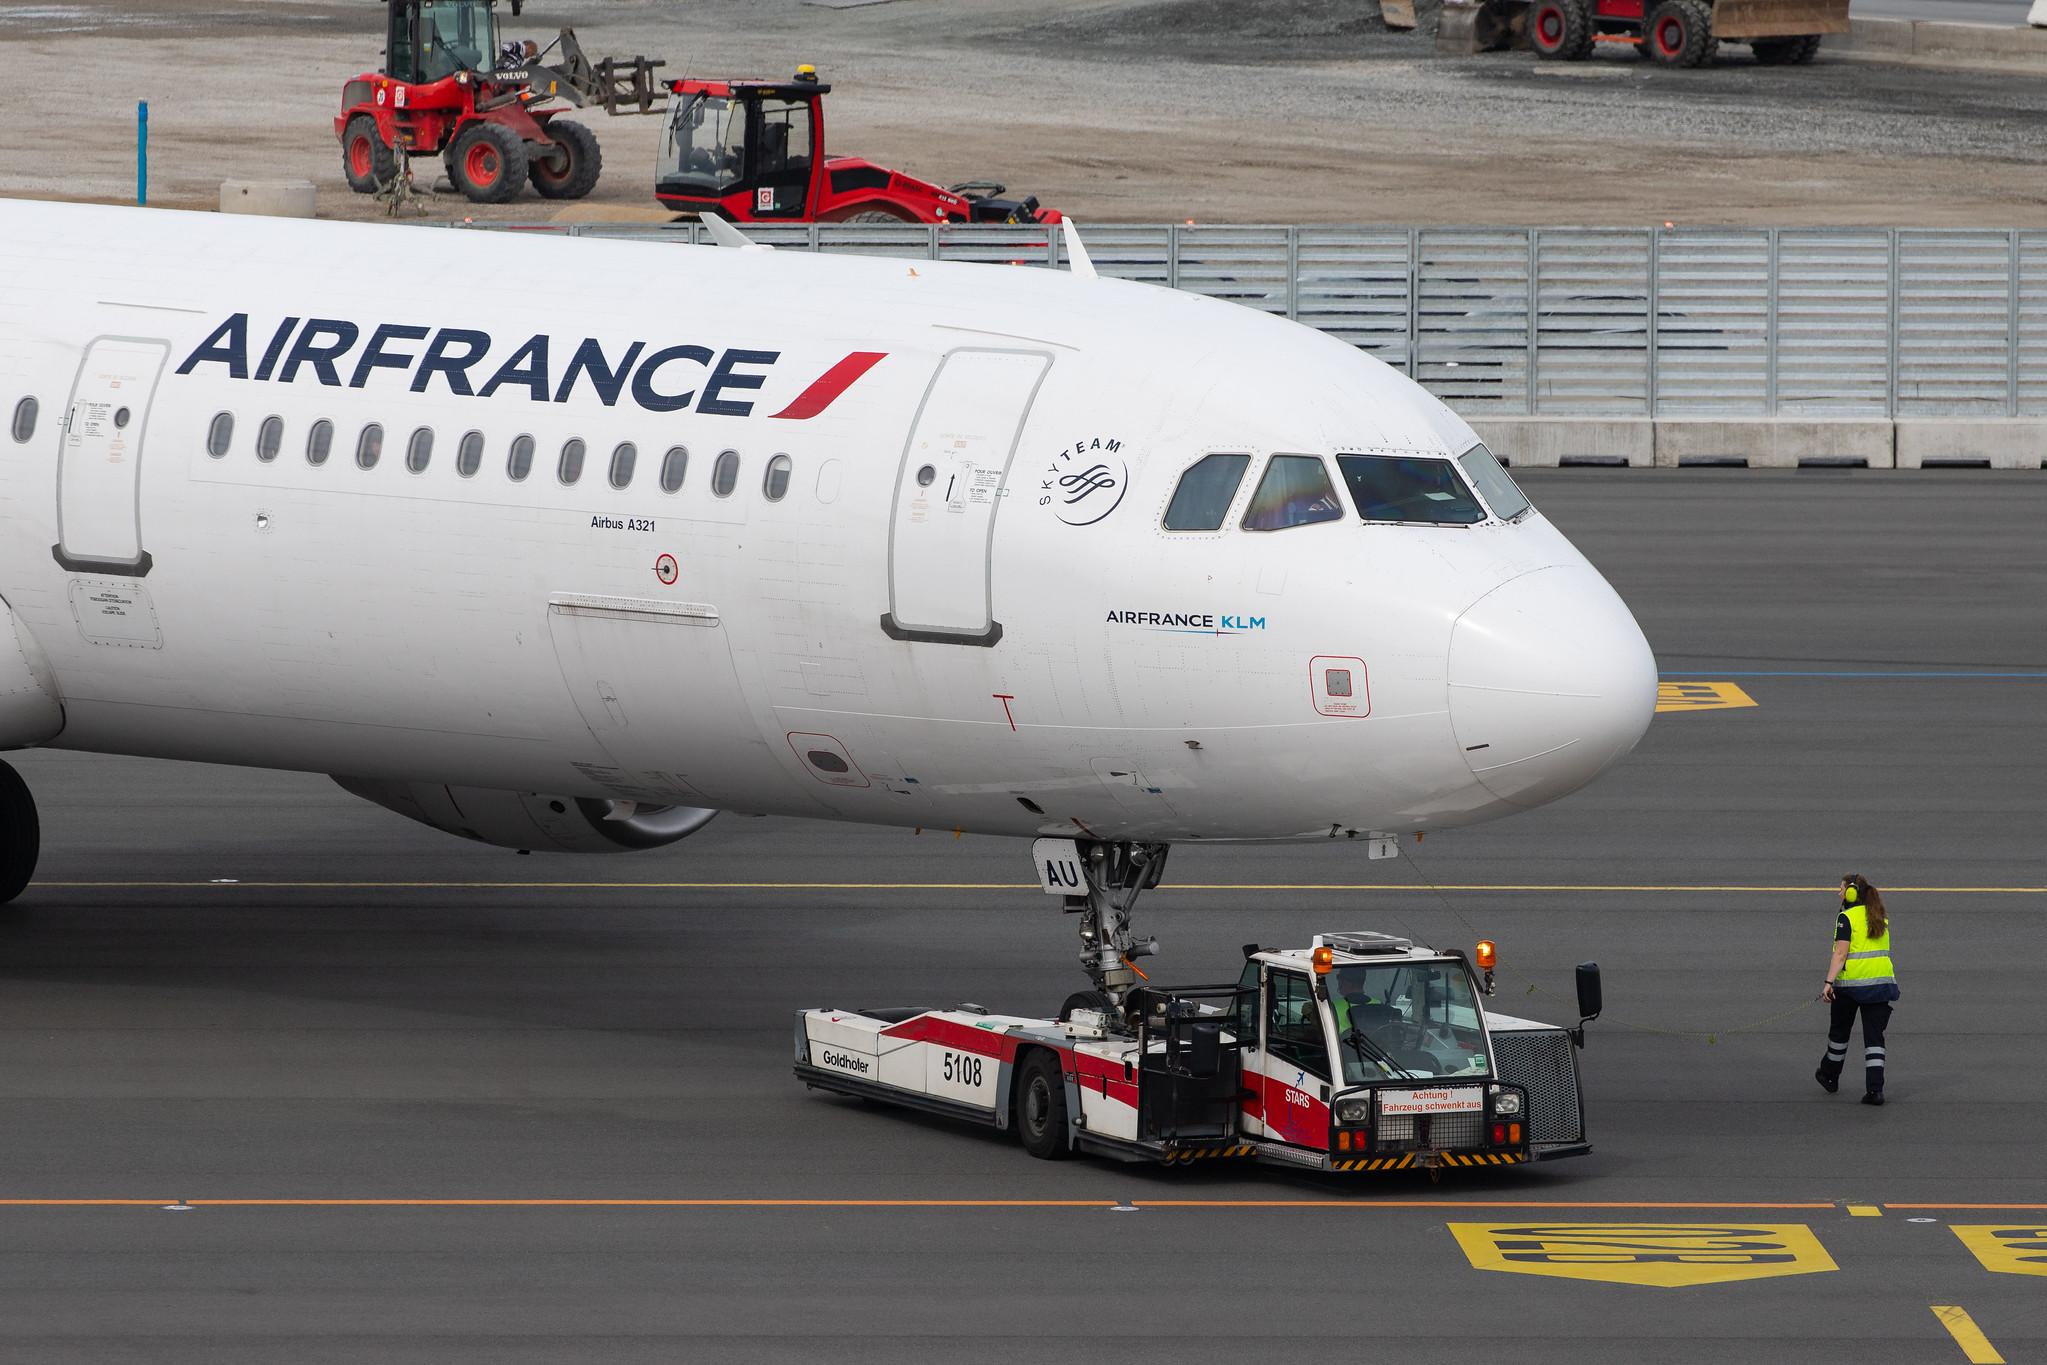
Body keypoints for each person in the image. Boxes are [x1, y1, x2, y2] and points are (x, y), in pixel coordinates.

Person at [1816, 873, 1900, 1105]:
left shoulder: (1846, 917)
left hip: (1851, 987)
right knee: (1874, 1039)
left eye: (1841, 888)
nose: (1838, 892)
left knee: (1839, 1034)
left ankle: (1829, 1075)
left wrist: (1828, 983)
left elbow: (1841, 953)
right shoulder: (1879, 917)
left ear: (1851, 893)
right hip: (1881, 987)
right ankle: (1875, 1091)